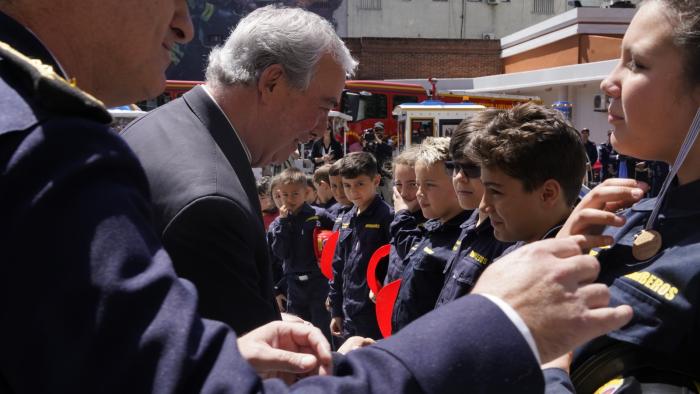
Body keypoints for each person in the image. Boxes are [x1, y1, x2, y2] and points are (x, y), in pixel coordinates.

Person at [0, 1, 635, 392]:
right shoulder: (195, 194)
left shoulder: (143, 135)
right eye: (324, 106)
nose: (183, 23)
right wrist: (500, 322)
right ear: (273, 83)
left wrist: (226, 356)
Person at [121, 1, 358, 333]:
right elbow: (239, 371)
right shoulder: (212, 203)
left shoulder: (164, 125)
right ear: (272, 83)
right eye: (323, 106)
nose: (321, 129)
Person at [551, 0, 700, 391]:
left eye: (637, 64)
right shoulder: (632, 215)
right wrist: (558, 258)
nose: (608, 81)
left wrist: (550, 355)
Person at [467, 103, 587, 249]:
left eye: (496, 192)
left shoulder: (571, 268)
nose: (484, 206)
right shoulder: (520, 249)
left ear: (547, 194)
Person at [435, 111, 514, 308]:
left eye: (471, 168)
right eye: (453, 166)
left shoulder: (508, 236)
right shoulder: (471, 221)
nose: (459, 177)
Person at [391, 137, 470, 333]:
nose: (419, 193)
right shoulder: (435, 226)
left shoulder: (464, 238)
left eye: (430, 185)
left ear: (457, 183)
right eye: (418, 184)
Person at [329, 152, 393, 340]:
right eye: (347, 185)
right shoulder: (347, 218)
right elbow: (338, 264)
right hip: (348, 309)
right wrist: (336, 309)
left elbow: (394, 261)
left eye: (360, 184)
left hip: (372, 310)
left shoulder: (387, 217)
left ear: (376, 181)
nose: (353, 191)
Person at [269, 168, 335, 339]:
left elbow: (336, 240)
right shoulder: (278, 223)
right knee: (298, 330)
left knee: (322, 329)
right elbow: (279, 253)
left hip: (318, 281)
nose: (289, 199)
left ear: (306, 193)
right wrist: (283, 224)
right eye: (284, 195)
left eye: (294, 194)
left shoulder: (320, 215)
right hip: (293, 284)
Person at [385, 146, 426, 285]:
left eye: (412, 184)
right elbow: (395, 260)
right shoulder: (398, 214)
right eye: (398, 184)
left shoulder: (432, 219)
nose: (403, 193)